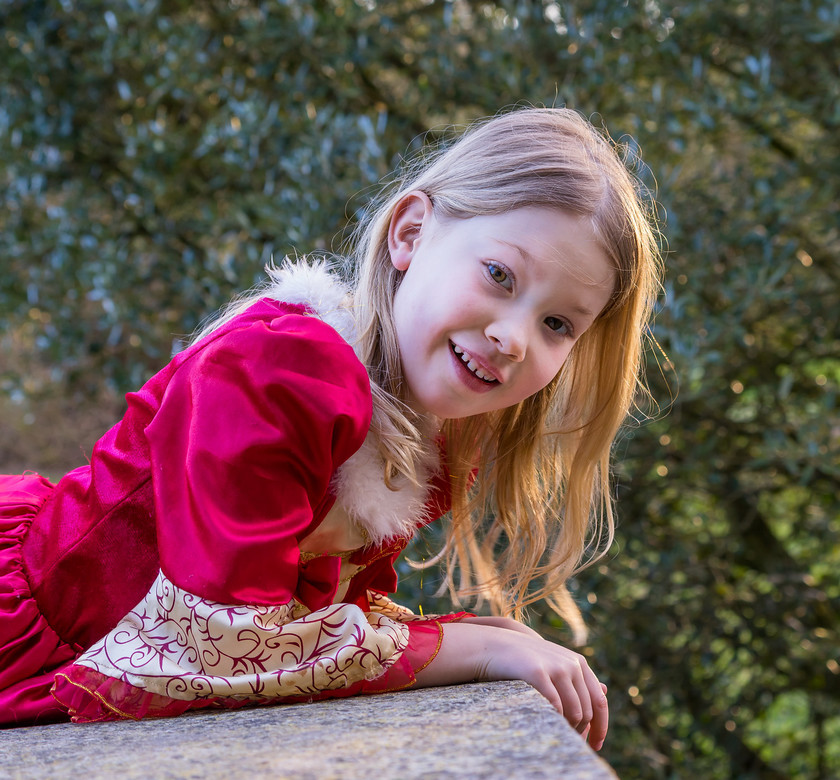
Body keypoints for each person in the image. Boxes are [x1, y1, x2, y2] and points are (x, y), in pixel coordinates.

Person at [0, 107, 661, 750]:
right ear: (410, 232)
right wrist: (468, 646)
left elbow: (303, 621)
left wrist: (461, 635)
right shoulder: (278, 373)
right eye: (498, 275)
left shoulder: (428, 434)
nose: (513, 336)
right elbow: (223, 641)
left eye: (557, 325)